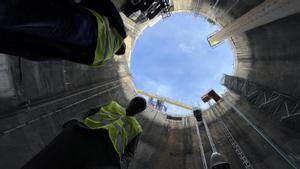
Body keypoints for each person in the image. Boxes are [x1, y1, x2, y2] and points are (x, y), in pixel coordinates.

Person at [21, 96, 147, 169]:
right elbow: (90, 111)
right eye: (136, 102)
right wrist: (74, 121)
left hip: (103, 155)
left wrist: (120, 165)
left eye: (140, 106)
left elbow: (130, 153)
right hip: (80, 134)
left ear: (140, 111)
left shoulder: (137, 128)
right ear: (131, 102)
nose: (137, 105)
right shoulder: (113, 105)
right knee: (45, 161)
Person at [0, 0, 126, 65]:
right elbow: (79, 59)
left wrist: (81, 5)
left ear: (122, 45)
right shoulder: (104, 59)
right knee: (25, 42)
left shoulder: (120, 35)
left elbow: (107, 7)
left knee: (26, 13)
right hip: (71, 49)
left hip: (85, 28)